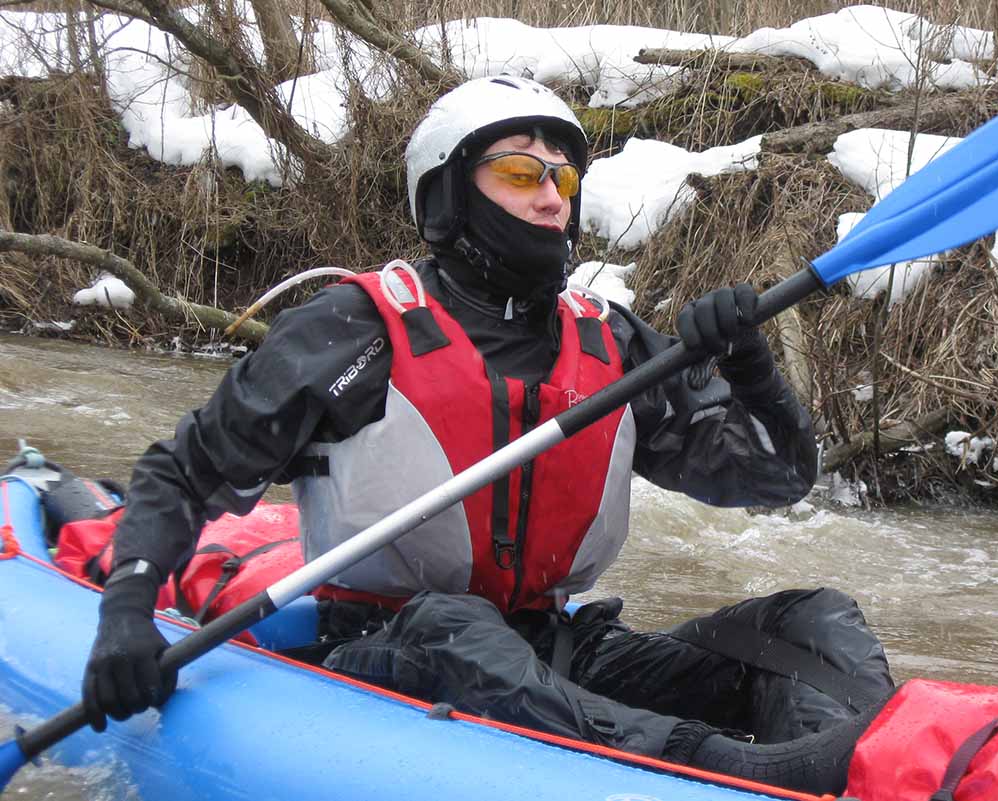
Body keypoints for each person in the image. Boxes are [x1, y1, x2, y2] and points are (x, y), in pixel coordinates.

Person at [81, 76, 893, 794]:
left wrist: (753, 369)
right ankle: (730, 773)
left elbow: (776, 479)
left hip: (557, 645)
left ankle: (869, 756)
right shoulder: (354, 330)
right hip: (386, 647)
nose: (552, 198)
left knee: (814, 621)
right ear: (445, 198)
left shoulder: (609, 341)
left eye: (563, 176)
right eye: (518, 172)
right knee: (454, 624)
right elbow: (181, 472)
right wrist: (125, 611)